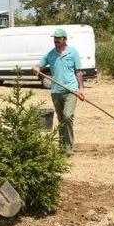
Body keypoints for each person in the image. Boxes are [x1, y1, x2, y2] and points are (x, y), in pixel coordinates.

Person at [32, 28, 85, 156]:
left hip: (71, 91)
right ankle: (62, 147)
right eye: (54, 39)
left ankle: (68, 148)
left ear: (64, 39)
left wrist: (81, 89)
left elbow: (78, 72)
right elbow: (40, 65)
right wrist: (36, 68)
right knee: (61, 119)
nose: (55, 41)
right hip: (56, 91)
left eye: (58, 39)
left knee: (67, 116)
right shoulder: (51, 54)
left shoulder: (73, 53)